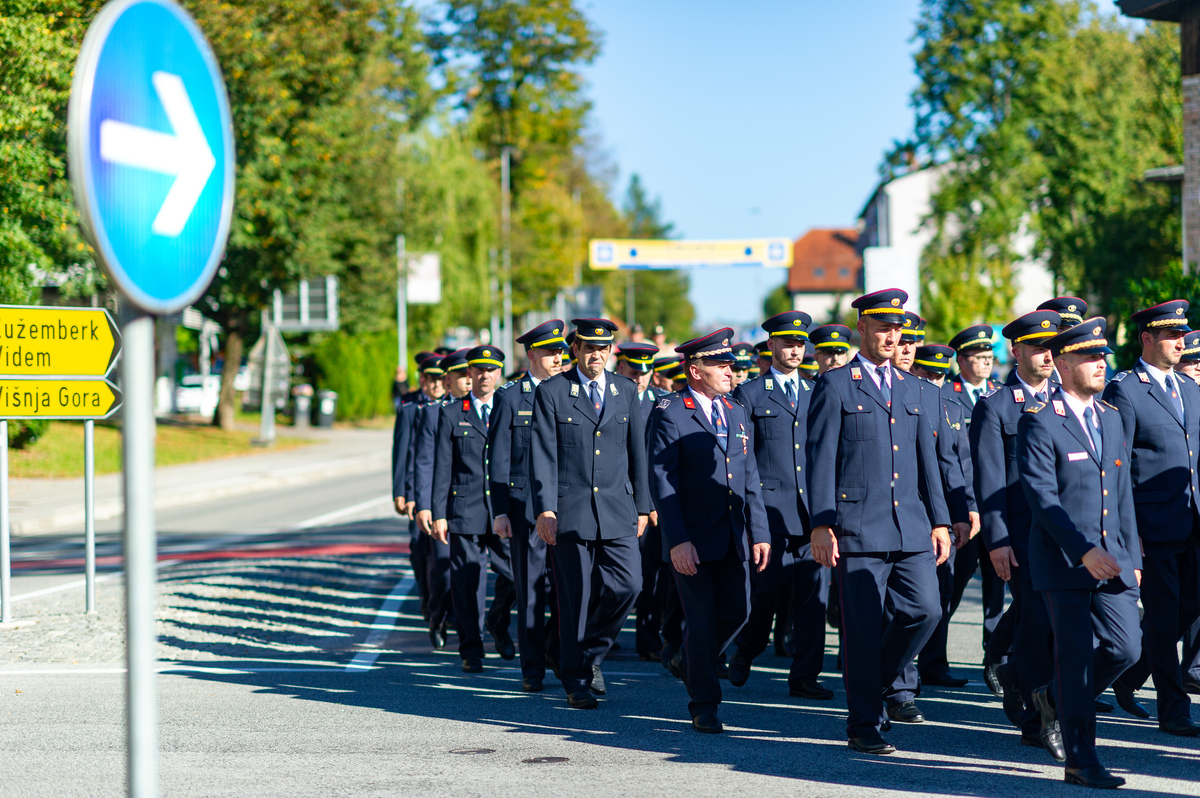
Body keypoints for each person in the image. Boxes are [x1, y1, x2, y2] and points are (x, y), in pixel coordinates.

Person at [806, 288, 952, 755]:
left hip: (911, 523)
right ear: (862, 328)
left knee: (926, 611)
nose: (892, 337)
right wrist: (822, 524)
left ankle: (877, 685)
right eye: (884, 328)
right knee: (863, 631)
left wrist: (940, 521)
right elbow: (820, 459)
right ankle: (864, 723)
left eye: (898, 329)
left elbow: (928, 460)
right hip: (858, 526)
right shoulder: (836, 384)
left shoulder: (915, 388)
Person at [1018, 318, 1142, 788]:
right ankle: (1081, 761)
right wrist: (1082, 551)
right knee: (1075, 661)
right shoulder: (1039, 421)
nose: (1100, 363)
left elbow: (1122, 494)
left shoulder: (1110, 416)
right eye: (1090, 357)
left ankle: (1051, 697)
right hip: (1063, 561)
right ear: (1063, 363)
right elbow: (1042, 499)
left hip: (1113, 559)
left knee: (1125, 648)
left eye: (1102, 356)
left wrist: (1134, 560)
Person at [648, 329, 771, 733]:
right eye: (721, 365)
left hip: (733, 535)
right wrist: (677, 540)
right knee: (700, 620)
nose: (730, 372)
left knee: (739, 612)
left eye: (730, 365)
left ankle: (689, 660)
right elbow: (663, 482)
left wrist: (759, 531)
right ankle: (704, 704)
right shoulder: (670, 411)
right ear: (695, 370)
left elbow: (749, 476)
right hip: (693, 538)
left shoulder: (735, 411)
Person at [531, 318, 653, 709]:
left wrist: (644, 506)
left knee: (629, 585)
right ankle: (576, 681)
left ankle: (589, 653)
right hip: (570, 510)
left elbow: (638, 452)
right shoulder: (553, 391)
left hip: (618, 508)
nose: (596, 355)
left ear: (611, 351)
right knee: (576, 599)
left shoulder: (625, 390)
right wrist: (545, 508)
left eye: (603, 349)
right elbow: (543, 454)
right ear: (576, 350)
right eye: (589, 348)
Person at [1102, 300, 1200, 736]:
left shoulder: (1191, 389)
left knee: (1190, 607)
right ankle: (1174, 710)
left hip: (1193, 520)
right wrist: (1128, 532)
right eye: (1171, 335)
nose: (1181, 342)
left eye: (1182, 335)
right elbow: (1116, 466)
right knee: (1162, 616)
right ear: (1147, 339)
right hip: (1152, 527)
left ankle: (1130, 674)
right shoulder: (1125, 390)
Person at [727, 310, 830, 701]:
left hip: (812, 513)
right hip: (769, 513)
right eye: (788, 343)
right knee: (766, 593)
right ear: (771, 345)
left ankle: (805, 675)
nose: (795, 350)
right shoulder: (750, 394)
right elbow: (743, 459)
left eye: (800, 344)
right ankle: (746, 649)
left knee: (813, 598)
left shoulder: (818, 391)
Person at [968, 309, 1060, 747]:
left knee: (1057, 623)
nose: (1048, 355)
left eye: (1052, 347)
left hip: (1067, 535)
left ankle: (1016, 676)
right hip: (1022, 537)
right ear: (1016, 350)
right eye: (1039, 348)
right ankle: (1038, 721)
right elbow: (989, 482)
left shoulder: (1068, 398)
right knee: (1037, 621)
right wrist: (998, 540)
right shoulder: (996, 407)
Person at [894, 317, 975, 692]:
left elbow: (952, 462)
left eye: (912, 342)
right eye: (901, 340)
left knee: (936, 595)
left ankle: (927, 666)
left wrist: (962, 511)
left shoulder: (938, 400)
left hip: (933, 515)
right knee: (893, 603)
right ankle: (892, 678)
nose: (906, 348)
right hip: (884, 512)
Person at [489, 321, 568, 693]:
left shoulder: (569, 392)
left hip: (566, 506)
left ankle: (560, 652)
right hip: (524, 510)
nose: (558, 358)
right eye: (551, 352)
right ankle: (532, 668)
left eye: (560, 352)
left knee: (569, 591)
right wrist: (500, 510)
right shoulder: (510, 397)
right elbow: (499, 459)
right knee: (531, 592)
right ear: (532, 354)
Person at [431, 345, 517, 672]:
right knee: (467, 582)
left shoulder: (510, 407)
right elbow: (442, 466)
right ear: (469, 374)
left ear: (499, 374)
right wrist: (439, 513)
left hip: (503, 509)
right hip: (465, 507)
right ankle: (471, 649)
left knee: (515, 573)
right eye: (478, 370)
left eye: (490, 370)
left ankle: (497, 620)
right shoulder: (453, 412)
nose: (484, 376)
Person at [943, 324, 1005, 684]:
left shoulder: (999, 393)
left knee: (997, 589)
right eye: (979, 357)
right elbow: (951, 459)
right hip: (963, 510)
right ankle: (933, 658)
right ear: (961, 361)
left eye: (989, 357)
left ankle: (994, 660)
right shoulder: (946, 396)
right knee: (951, 586)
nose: (986, 363)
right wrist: (965, 505)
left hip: (994, 507)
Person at [413, 349, 472, 649]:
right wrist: (424, 505)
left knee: (470, 569)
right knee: (442, 567)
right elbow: (424, 462)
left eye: (470, 374)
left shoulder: (483, 409)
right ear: (448, 380)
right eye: (461, 375)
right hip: (441, 502)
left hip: (471, 502)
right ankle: (437, 616)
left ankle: (466, 627)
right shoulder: (433, 412)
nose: (468, 380)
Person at [615, 341, 669, 661]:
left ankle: (648, 640)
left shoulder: (661, 404)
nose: (640, 378)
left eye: (645, 373)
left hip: (652, 504)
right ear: (621, 367)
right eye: (634, 372)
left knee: (651, 575)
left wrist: (654, 503)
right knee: (613, 577)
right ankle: (604, 634)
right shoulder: (611, 398)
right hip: (614, 498)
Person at [392, 354, 446, 620]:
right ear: (423, 380)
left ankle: (442, 605)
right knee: (419, 547)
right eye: (431, 379)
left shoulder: (452, 407)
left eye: (441, 379)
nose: (437, 385)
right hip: (417, 488)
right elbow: (402, 452)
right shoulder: (410, 407)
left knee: (441, 554)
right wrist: (401, 492)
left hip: (444, 489)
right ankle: (425, 595)